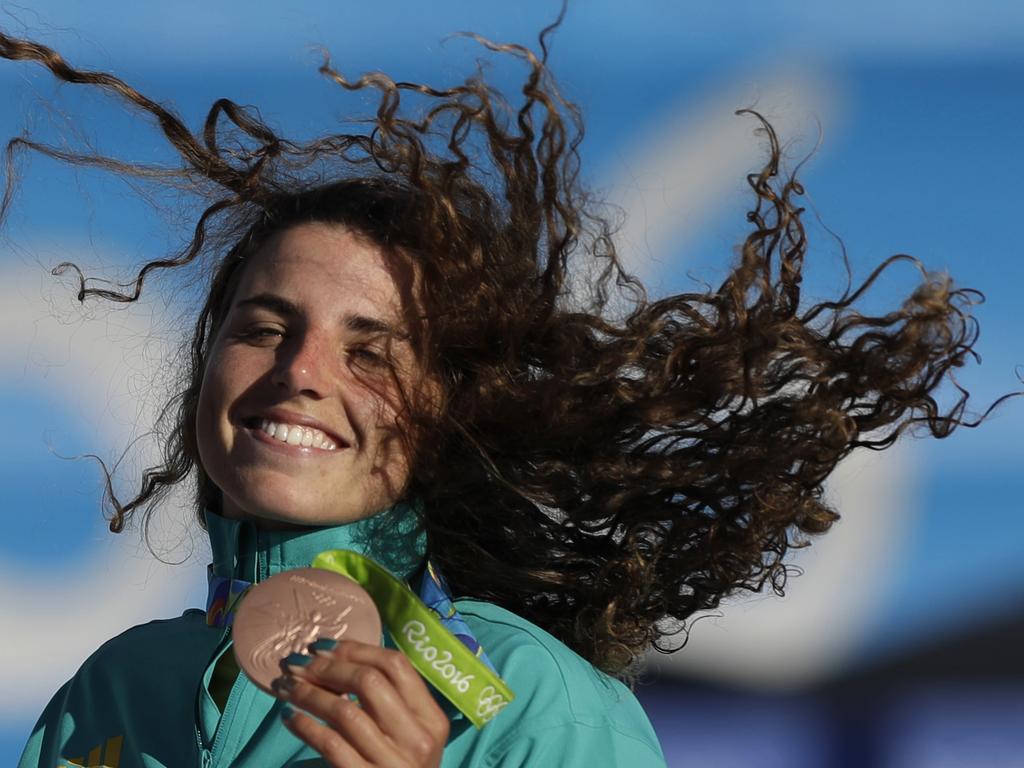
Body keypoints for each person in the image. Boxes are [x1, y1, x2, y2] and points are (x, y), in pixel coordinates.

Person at [1, 14, 1012, 768]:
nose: (300, 374)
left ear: (446, 410)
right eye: (264, 329)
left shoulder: (534, 705)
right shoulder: (111, 693)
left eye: (372, 352)